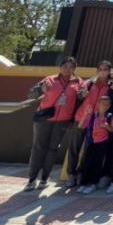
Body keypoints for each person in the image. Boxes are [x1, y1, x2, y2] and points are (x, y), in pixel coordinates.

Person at [25, 57, 82, 191]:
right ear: (60, 67)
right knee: (38, 148)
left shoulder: (78, 82)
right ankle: (32, 179)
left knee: (53, 149)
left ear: (74, 69)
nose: (67, 69)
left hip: (62, 121)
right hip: (44, 119)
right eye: (65, 66)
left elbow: (80, 100)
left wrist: (81, 97)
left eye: (71, 67)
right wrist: (41, 90)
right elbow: (31, 94)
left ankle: (44, 178)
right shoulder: (50, 79)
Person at [69, 60, 113, 188]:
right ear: (97, 70)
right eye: (101, 69)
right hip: (81, 118)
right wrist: (82, 95)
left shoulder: (111, 86)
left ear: (109, 71)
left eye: (105, 69)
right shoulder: (89, 83)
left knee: (88, 150)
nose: (103, 71)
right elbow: (78, 96)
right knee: (74, 147)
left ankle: (81, 173)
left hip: (95, 122)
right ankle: (71, 174)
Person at [78, 94, 113, 194]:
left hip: (103, 144)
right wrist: (85, 114)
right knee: (87, 163)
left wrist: (106, 126)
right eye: (103, 104)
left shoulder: (109, 116)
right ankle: (84, 183)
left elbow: (112, 130)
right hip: (91, 143)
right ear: (98, 104)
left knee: (98, 163)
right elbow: (80, 126)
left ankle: (93, 183)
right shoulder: (92, 115)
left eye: (107, 104)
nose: (105, 106)